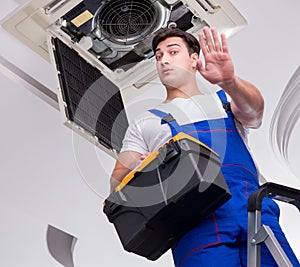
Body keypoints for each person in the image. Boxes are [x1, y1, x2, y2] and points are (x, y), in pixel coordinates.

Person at [110, 27, 299, 266]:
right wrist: (143, 167)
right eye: (158, 56)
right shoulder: (146, 122)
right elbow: (117, 182)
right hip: (192, 223)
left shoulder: (224, 100)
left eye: (173, 51)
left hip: (252, 208)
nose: (164, 60)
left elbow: (255, 114)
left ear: (193, 59)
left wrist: (229, 81)